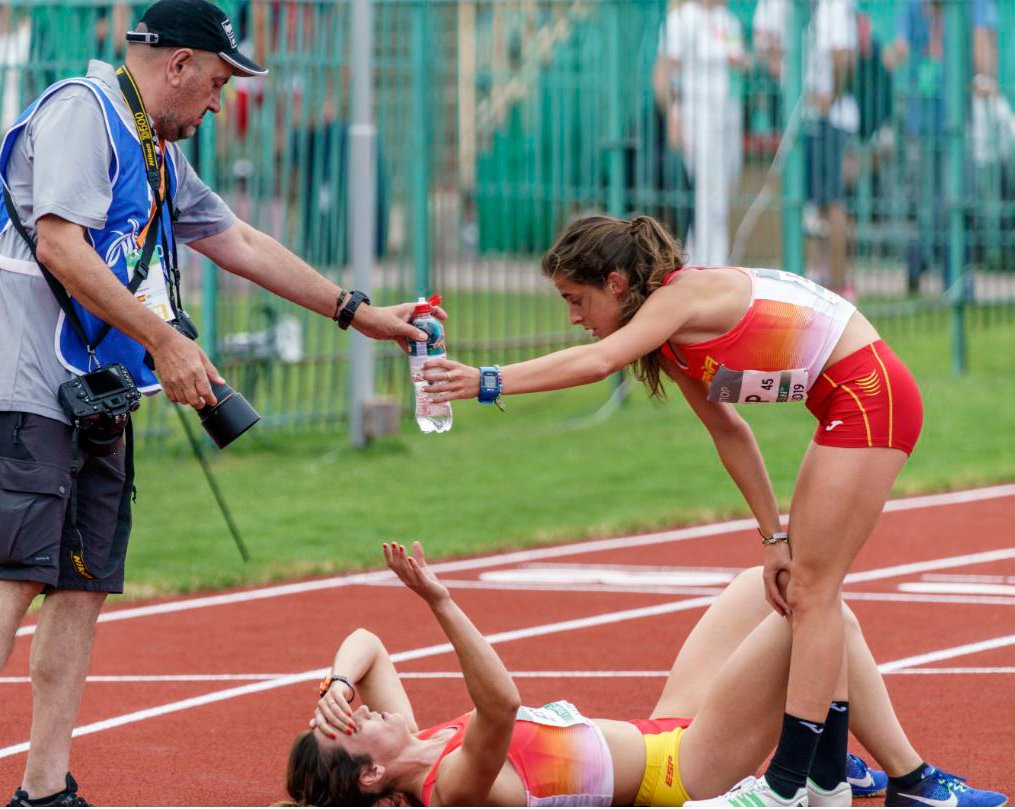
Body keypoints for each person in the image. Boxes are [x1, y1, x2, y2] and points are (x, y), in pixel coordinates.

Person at [0, 0, 435, 804]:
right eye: (216, 82)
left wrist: (358, 312)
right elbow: (60, 244)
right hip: (25, 387)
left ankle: (44, 786)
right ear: (177, 65)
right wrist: (164, 340)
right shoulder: (81, 112)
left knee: (82, 585)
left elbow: (238, 240)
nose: (217, 101)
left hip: (94, 395)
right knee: (11, 578)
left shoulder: (156, 154)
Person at [421, 213, 925, 805]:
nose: (573, 317)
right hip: (846, 399)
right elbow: (728, 430)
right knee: (806, 589)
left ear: (615, 283)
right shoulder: (672, 339)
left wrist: (487, 380)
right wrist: (772, 539)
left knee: (813, 593)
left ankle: (791, 786)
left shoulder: (677, 299)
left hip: (870, 394)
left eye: (575, 299)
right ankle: (831, 773)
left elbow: (597, 363)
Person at [284, 541, 1006, 807]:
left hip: (664, 722)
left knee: (772, 581)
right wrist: (439, 599)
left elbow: (367, 641)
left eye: (349, 710)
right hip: (683, 770)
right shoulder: (449, 787)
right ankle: (907, 781)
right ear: (371, 777)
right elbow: (499, 704)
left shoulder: (405, 738)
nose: (367, 714)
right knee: (820, 614)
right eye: (351, 728)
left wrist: (337, 685)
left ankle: (828, 746)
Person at [653, 0, 745, 266]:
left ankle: (714, 261)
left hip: (728, 113)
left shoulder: (729, 21)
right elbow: (663, 75)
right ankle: (705, 264)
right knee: (706, 192)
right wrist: (673, 114)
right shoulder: (681, 19)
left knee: (726, 187)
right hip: (696, 113)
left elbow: (737, 62)